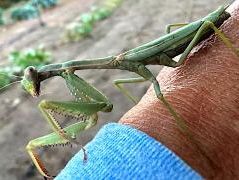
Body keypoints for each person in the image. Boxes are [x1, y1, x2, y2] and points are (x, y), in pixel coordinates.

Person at [55, 2, 239, 179]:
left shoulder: (119, 61)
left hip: (207, 25)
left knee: (159, 92)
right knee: (120, 82)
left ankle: (200, 150)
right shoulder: (119, 62)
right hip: (186, 38)